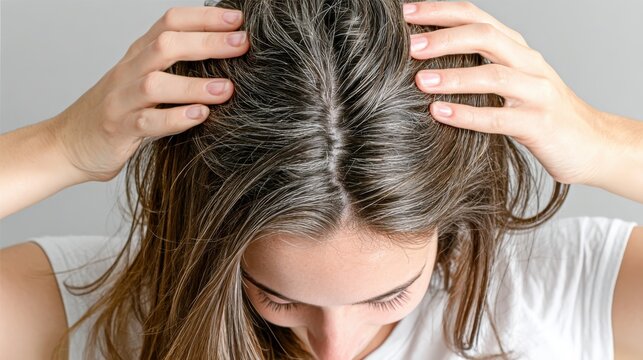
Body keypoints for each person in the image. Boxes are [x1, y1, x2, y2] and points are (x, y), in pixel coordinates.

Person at [0, 0, 642, 359]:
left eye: (389, 297)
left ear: (447, 221)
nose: (334, 351)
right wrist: (59, 146)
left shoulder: (572, 291)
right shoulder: (74, 308)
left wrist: (602, 141)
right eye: (278, 297)